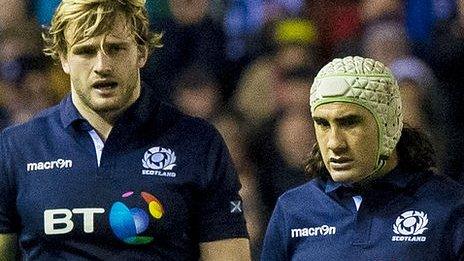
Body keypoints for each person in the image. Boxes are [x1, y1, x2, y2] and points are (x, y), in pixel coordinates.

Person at [0, 0, 251, 259]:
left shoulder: (198, 143)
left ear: (141, 51)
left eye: (115, 48)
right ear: (64, 58)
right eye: (85, 51)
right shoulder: (16, 147)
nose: (101, 66)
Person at [261, 56, 464, 260]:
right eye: (323, 124)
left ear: (389, 124)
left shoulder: (451, 206)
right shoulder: (293, 209)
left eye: (349, 123)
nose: (334, 143)